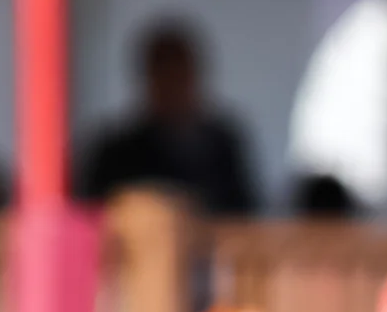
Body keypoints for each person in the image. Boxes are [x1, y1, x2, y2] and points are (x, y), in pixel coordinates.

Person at [78, 19, 257, 215]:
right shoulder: (116, 154)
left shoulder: (223, 144)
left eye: (180, 75)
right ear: (148, 79)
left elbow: (245, 214)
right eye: (165, 74)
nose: (173, 86)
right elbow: (94, 216)